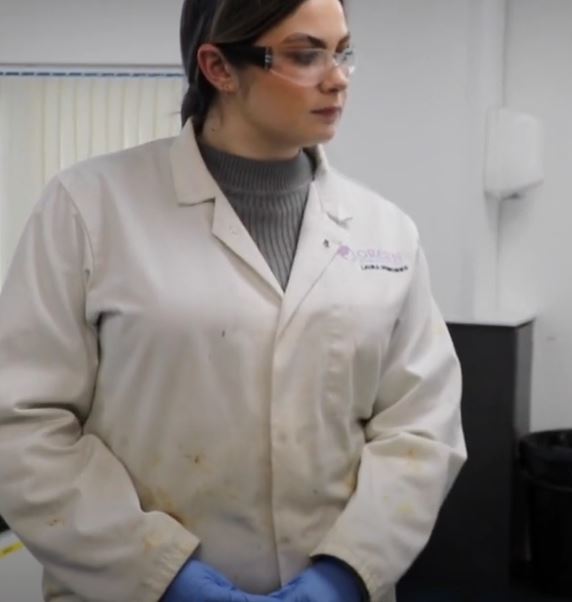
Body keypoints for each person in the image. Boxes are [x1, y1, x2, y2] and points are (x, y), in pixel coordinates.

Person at [0, 1, 466, 600]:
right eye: (305, 55)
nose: (338, 76)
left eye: (343, 51)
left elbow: (420, 429)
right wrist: (161, 574)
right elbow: (23, 424)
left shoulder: (387, 232)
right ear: (219, 67)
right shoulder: (88, 208)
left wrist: (346, 573)